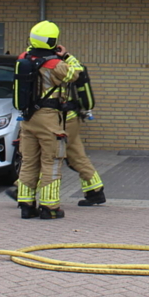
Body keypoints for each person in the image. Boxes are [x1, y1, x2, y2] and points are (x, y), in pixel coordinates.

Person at [14, 20, 73, 220]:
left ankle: (26, 205)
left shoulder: (23, 59)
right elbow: (76, 73)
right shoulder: (56, 64)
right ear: (52, 40)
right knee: (52, 161)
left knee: (28, 161)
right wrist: (65, 55)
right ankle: (50, 208)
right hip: (48, 119)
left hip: (27, 119)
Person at [57, 49, 106, 207]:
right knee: (77, 156)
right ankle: (95, 190)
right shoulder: (71, 65)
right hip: (71, 117)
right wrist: (67, 56)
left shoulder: (57, 69)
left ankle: (23, 187)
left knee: (48, 153)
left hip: (63, 119)